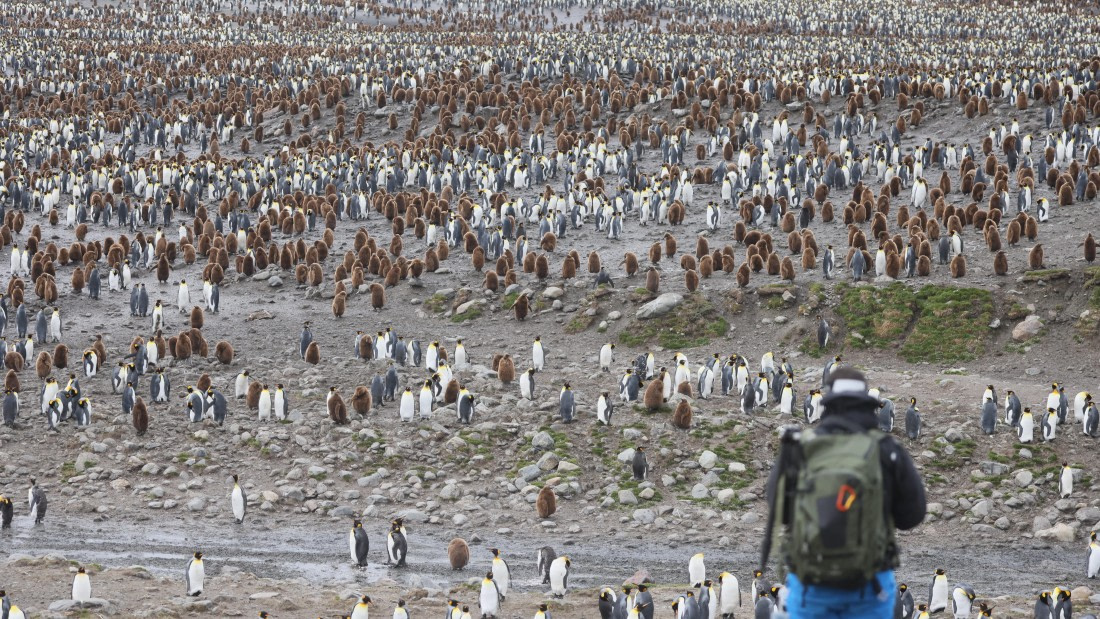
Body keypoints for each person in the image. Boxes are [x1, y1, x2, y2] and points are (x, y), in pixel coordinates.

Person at [762, 367, 926, 618]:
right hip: (869, 587)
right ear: (866, 405)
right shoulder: (887, 450)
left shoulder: (801, 448)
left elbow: (780, 510)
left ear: (828, 404)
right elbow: (912, 516)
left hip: (811, 586)